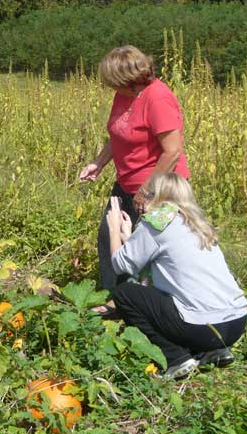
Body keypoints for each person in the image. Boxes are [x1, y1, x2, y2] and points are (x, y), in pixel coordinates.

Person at [105, 173, 247, 379]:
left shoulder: (157, 222)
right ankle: (210, 351)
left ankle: (174, 357)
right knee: (189, 297)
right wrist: (130, 236)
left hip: (200, 328)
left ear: (157, 196)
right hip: (235, 323)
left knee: (124, 293)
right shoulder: (197, 224)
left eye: (148, 193)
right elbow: (160, 258)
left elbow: (120, 265)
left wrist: (112, 228)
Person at [79, 45, 190, 294]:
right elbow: (119, 134)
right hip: (126, 182)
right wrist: (98, 163)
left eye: (111, 81)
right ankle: (115, 300)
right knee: (110, 237)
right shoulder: (124, 95)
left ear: (125, 79)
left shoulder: (157, 98)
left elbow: (172, 151)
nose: (108, 86)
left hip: (159, 188)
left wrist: (147, 190)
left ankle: (149, 306)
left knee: (149, 250)